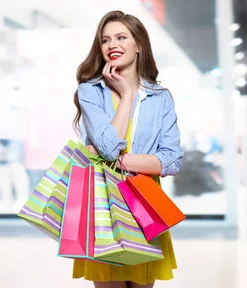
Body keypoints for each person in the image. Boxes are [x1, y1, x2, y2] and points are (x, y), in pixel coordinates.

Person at [71, 10, 183, 288]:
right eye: (106, 40)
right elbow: (109, 147)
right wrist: (128, 94)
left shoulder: (161, 98)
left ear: (139, 45)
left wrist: (123, 161)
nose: (113, 45)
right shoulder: (90, 91)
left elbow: (172, 159)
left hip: (145, 205)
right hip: (103, 206)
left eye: (121, 37)